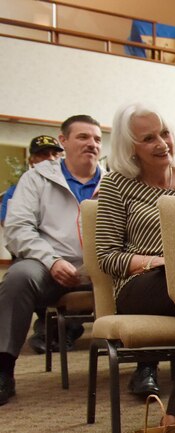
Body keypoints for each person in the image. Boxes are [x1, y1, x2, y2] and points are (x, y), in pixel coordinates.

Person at [95, 103, 175, 417]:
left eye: (164, 133)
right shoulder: (115, 184)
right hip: (140, 286)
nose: (162, 143)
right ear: (130, 148)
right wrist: (156, 262)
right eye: (148, 138)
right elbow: (107, 256)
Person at [1, 115, 103, 406]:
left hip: (101, 270)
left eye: (97, 139)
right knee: (19, 277)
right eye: (83, 137)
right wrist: (52, 260)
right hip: (48, 266)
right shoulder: (36, 178)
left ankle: (145, 367)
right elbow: (18, 228)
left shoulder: (113, 181)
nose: (92, 144)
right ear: (63, 141)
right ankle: (3, 369)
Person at [2, 135, 68, 355]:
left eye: (55, 153)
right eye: (43, 154)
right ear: (31, 160)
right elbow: (12, 227)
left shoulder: (71, 183)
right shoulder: (19, 188)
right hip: (37, 255)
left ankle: (63, 329)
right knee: (24, 273)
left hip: (72, 255)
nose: (50, 159)